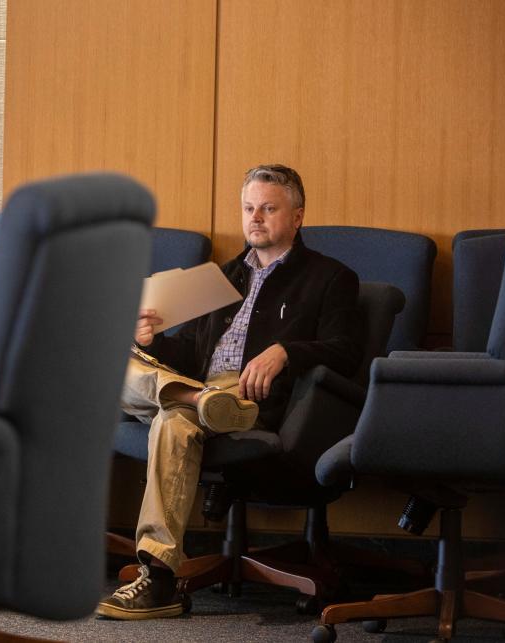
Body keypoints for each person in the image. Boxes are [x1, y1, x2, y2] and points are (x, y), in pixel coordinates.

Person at [97, 164, 362, 620]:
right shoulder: (222, 277)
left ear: (297, 216)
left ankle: (159, 579)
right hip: (199, 390)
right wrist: (152, 342)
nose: (255, 218)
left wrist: (285, 352)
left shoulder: (331, 277)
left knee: (171, 421)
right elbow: (190, 353)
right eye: (247, 208)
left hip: (249, 398)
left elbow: (346, 352)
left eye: (268, 208)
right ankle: (193, 400)